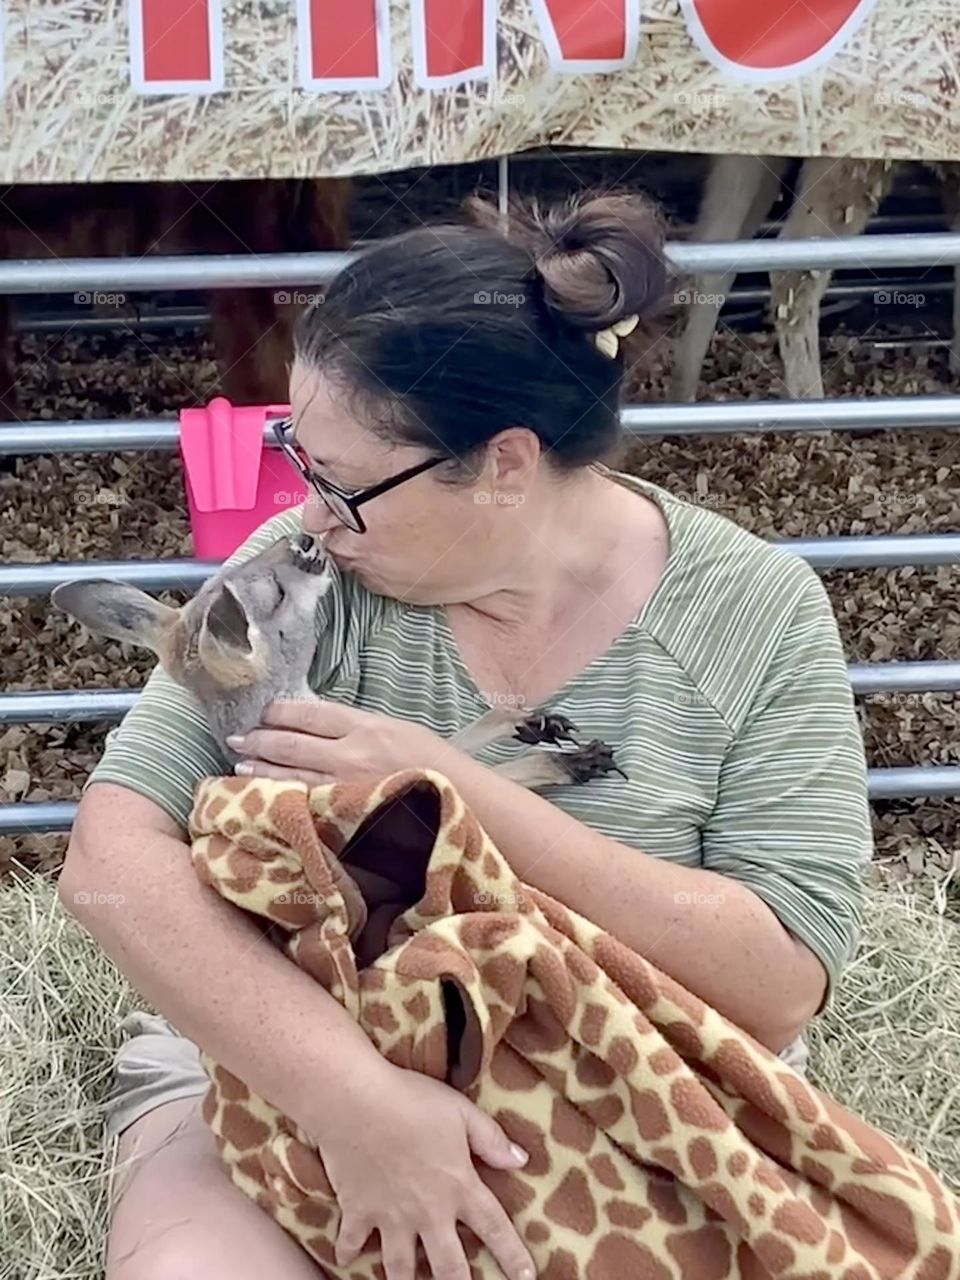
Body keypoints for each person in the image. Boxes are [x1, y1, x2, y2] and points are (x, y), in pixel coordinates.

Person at [59, 188, 872, 1280]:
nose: (307, 516)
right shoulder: (304, 580)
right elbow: (109, 860)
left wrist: (459, 793)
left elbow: (777, 980)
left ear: (503, 464)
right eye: (299, 458)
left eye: (345, 487)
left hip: (623, 1072)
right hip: (283, 1057)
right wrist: (355, 1102)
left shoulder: (754, 615)